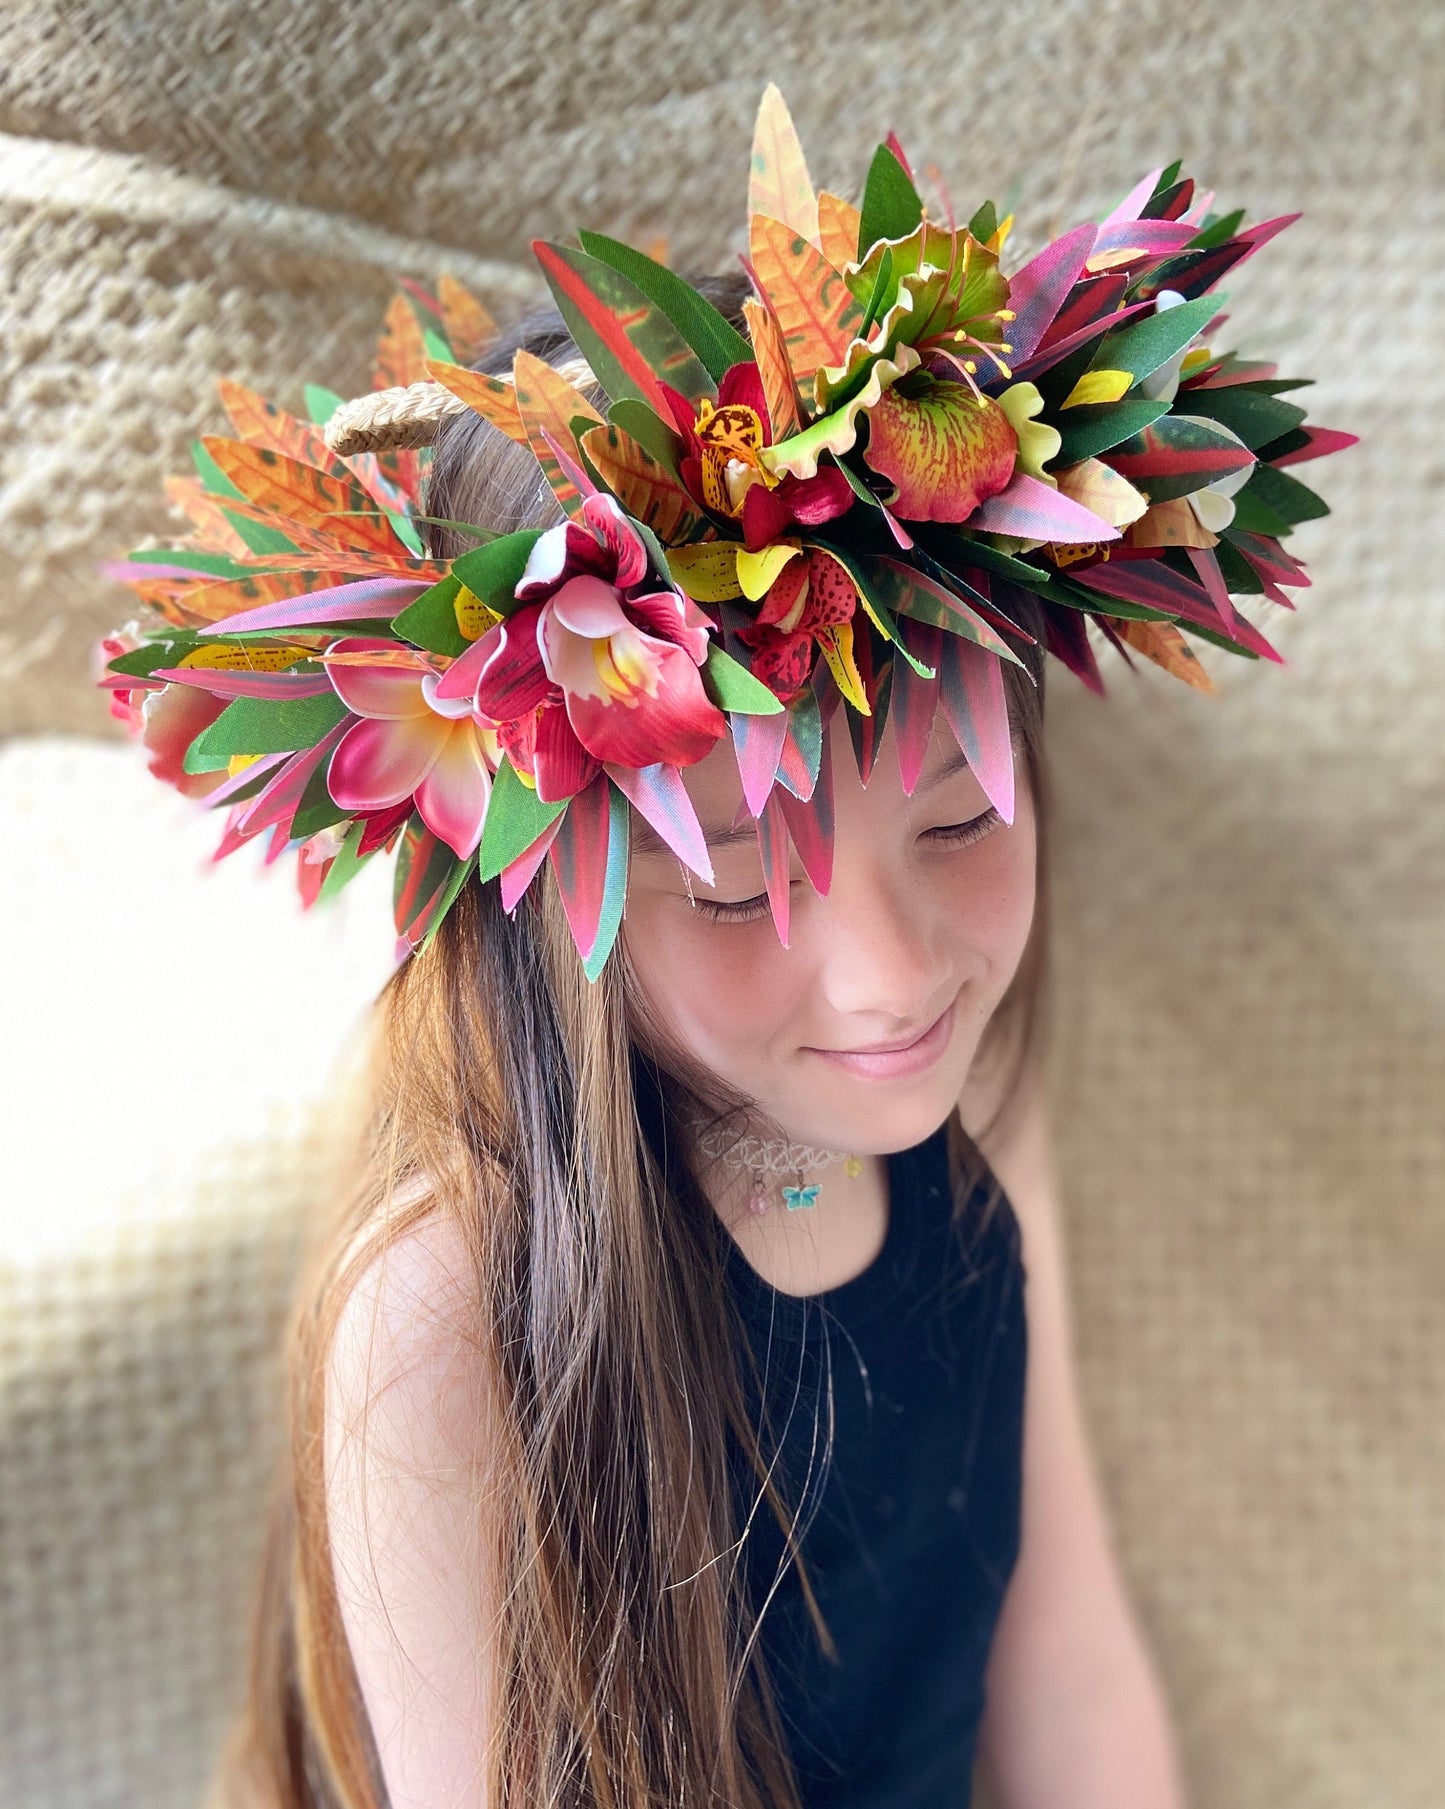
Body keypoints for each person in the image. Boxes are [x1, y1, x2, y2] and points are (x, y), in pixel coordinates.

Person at [99, 87, 1351, 1809]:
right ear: (546, 899)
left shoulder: (973, 1092)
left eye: (960, 822)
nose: (889, 978)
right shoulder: (447, 1309)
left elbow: (1061, 1659)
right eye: (740, 881)